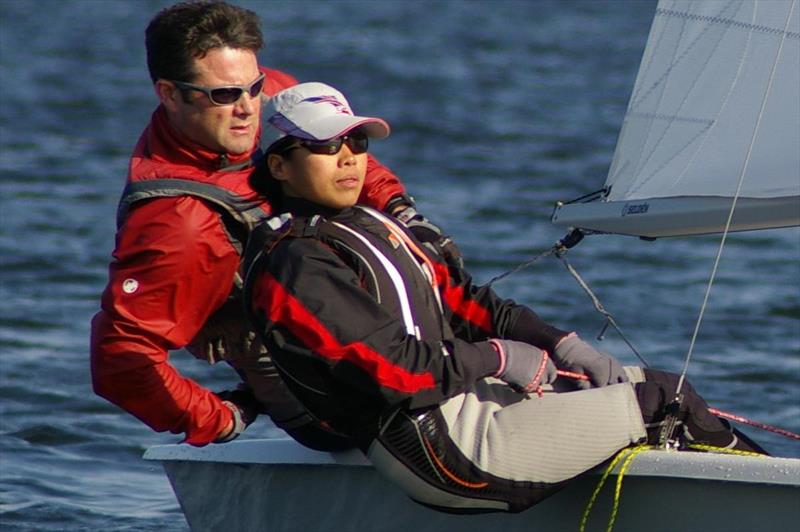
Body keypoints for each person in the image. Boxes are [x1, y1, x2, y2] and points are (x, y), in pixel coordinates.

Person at [242, 81, 767, 513]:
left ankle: (758, 493)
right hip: (442, 449)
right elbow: (395, 373)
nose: (348, 159)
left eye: (357, 144)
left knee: (656, 385)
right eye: (326, 146)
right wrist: (501, 357)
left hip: (469, 406)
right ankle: (769, 504)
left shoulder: (368, 225)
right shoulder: (296, 263)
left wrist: (561, 345)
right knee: (663, 403)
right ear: (281, 166)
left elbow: (470, 306)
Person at [90, 0, 459, 449]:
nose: (249, 108)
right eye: (224, 96)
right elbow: (121, 359)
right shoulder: (179, 224)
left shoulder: (271, 98)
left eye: (253, 86)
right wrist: (220, 418)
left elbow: (345, 156)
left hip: (373, 325)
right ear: (169, 93)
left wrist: (404, 213)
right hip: (329, 408)